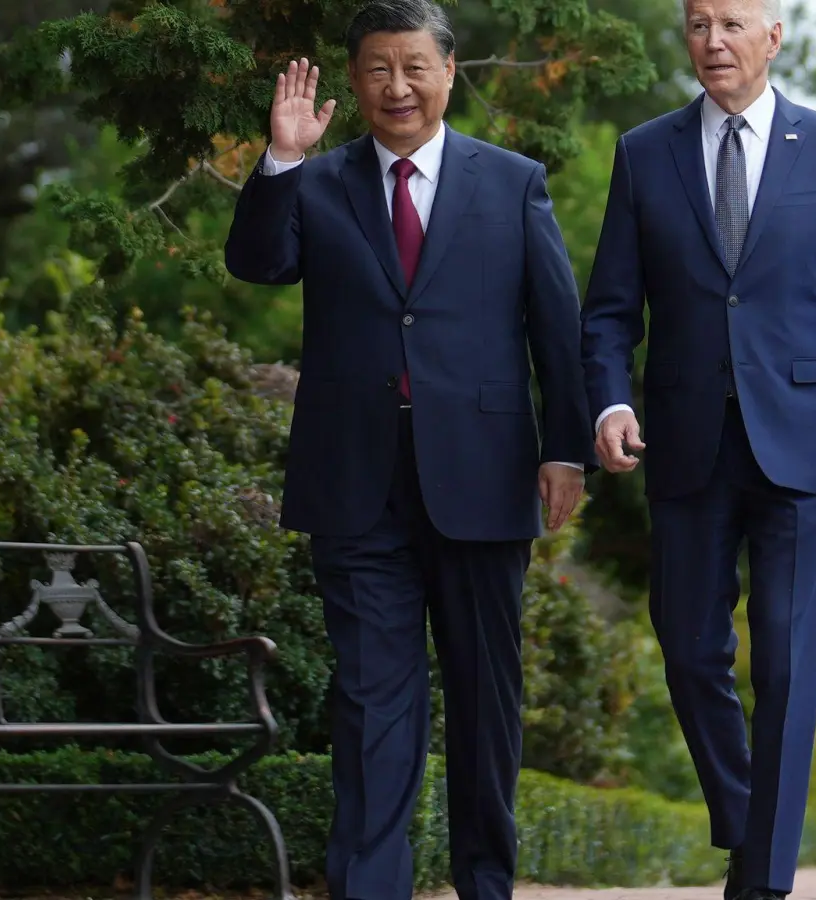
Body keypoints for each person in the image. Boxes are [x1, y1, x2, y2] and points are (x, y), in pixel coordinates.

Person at [224, 1, 594, 898]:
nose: (398, 87)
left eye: (415, 67)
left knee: (483, 704)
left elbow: (557, 327)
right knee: (372, 705)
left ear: (448, 73)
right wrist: (281, 159)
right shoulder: (314, 183)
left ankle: (484, 884)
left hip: (484, 474)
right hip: (355, 481)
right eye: (379, 69)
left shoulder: (512, 183)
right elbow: (257, 263)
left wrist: (566, 449)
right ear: (353, 83)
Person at [578, 0, 816, 898]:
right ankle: (745, 815)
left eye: (732, 23)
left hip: (805, 448)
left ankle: (761, 880)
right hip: (686, 443)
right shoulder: (643, 152)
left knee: (789, 660)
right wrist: (609, 400)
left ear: (775, 37)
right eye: (697, 24)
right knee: (687, 647)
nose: (713, 41)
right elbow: (610, 308)